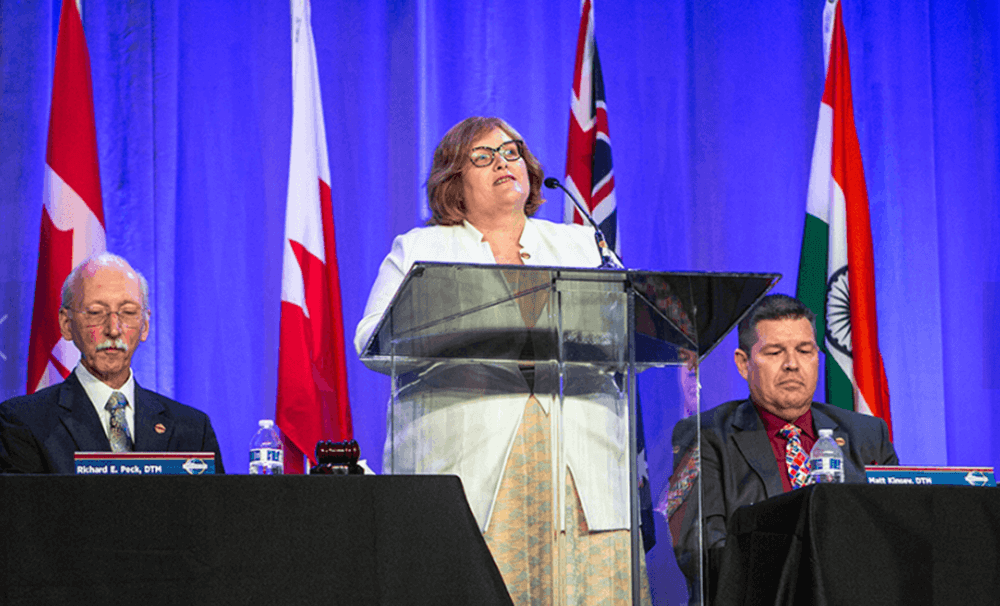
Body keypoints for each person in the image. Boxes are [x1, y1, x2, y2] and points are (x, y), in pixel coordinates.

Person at [355, 116, 649, 604]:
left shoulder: (578, 244)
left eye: (511, 153)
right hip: (471, 465)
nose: (503, 163)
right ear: (454, 179)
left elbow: (639, 327)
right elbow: (372, 343)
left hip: (580, 466)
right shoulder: (422, 249)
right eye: (483, 156)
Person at [668, 293, 897, 602]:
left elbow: (896, 532)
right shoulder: (703, 436)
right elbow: (700, 554)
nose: (792, 365)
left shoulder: (867, 434)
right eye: (775, 352)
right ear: (743, 363)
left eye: (804, 350)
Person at [0, 253, 224, 474]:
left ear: (145, 326)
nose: (113, 329)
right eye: (96, 313)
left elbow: (214, 510)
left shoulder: (193, 430)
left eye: (127, 313)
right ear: (67, 324)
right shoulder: (24, 423)